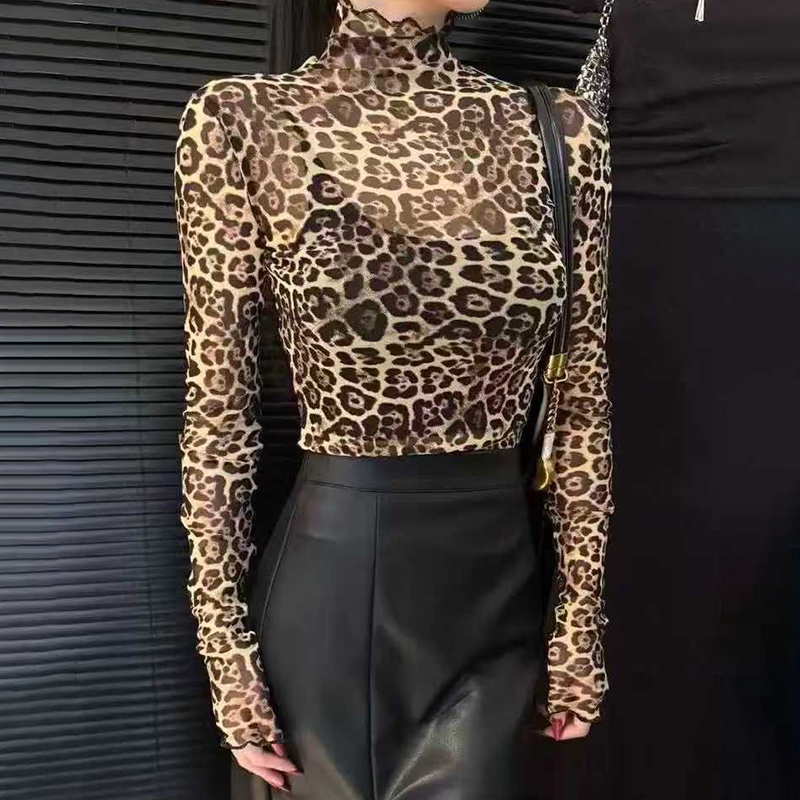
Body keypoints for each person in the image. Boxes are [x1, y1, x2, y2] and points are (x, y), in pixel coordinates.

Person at [173, 0, 614, 797]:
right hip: (334, 598)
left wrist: (578, 630)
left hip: (498, 593)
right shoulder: (244, 120)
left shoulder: (561, 132)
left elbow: (581, 398)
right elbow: (219, 414)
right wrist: (226, 660)